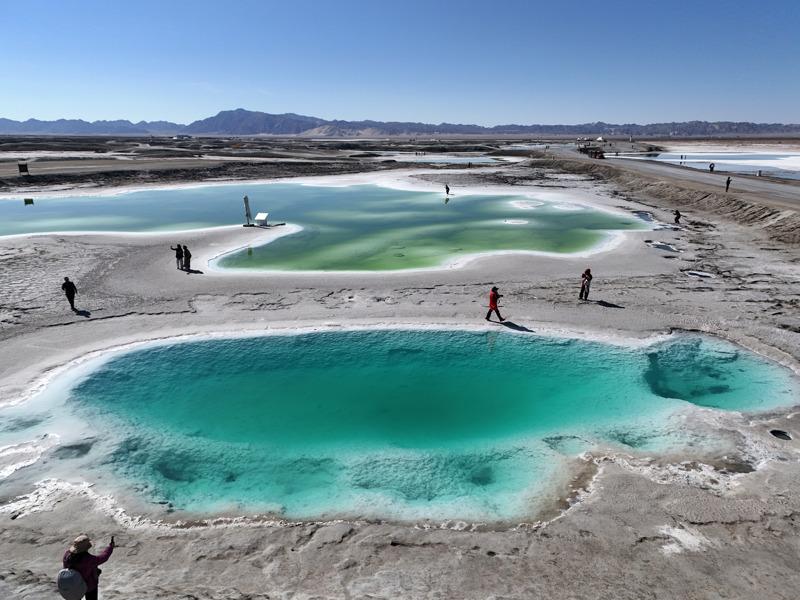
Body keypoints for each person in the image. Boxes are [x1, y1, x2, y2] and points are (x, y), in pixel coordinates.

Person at [62, 534, 114, 600]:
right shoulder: (88, 559)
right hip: (89, 586)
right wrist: (110, 547)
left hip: (73, 586)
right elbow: (103, 558)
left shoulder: (67, 555)